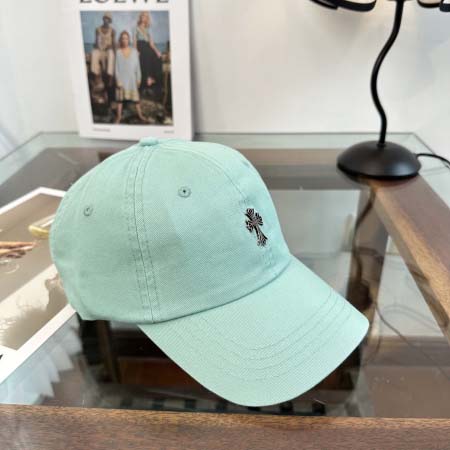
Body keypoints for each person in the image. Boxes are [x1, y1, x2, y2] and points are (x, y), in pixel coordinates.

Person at [114, 31, 148, 124]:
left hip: (132, 79)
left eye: (126, 38)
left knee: (136, 100)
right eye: (123, 38)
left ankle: (140, 115)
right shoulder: (118, 52)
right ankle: (118, 117)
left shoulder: (134, 52)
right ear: (120, 40)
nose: (124, 40)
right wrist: (118, 80)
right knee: (120, 100)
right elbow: (116, 68)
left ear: (129, 40)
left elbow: (138, 67)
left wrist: (138, 79)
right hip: (122, 79)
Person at [133, 12, 163, 101]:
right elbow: (134, 42)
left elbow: (151, 43)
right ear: (140, 17)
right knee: (146, 54)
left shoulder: (148, 30)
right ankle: (147, 79)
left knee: (158, 57)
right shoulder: (135, 28)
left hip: (147, 46)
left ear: (147, 19)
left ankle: (152, 79)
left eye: (146, 16)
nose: (144, 17)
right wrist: (136, 51)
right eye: (143, 15)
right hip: (140, 46)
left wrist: (157, 51)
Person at [90, 13, 115, 82]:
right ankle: (95, 74)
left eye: (108, 19)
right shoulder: (97, 29)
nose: (106, 20)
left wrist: (110, 46)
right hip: (99, 49)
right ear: (103, 19)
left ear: (109, 21)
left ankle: (110, 75)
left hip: (107, 50)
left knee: (111, 54)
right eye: (105, 18)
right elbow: (96, 41)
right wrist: (96, 45)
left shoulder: (112, 30)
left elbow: (113, 43)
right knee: (94, 53)